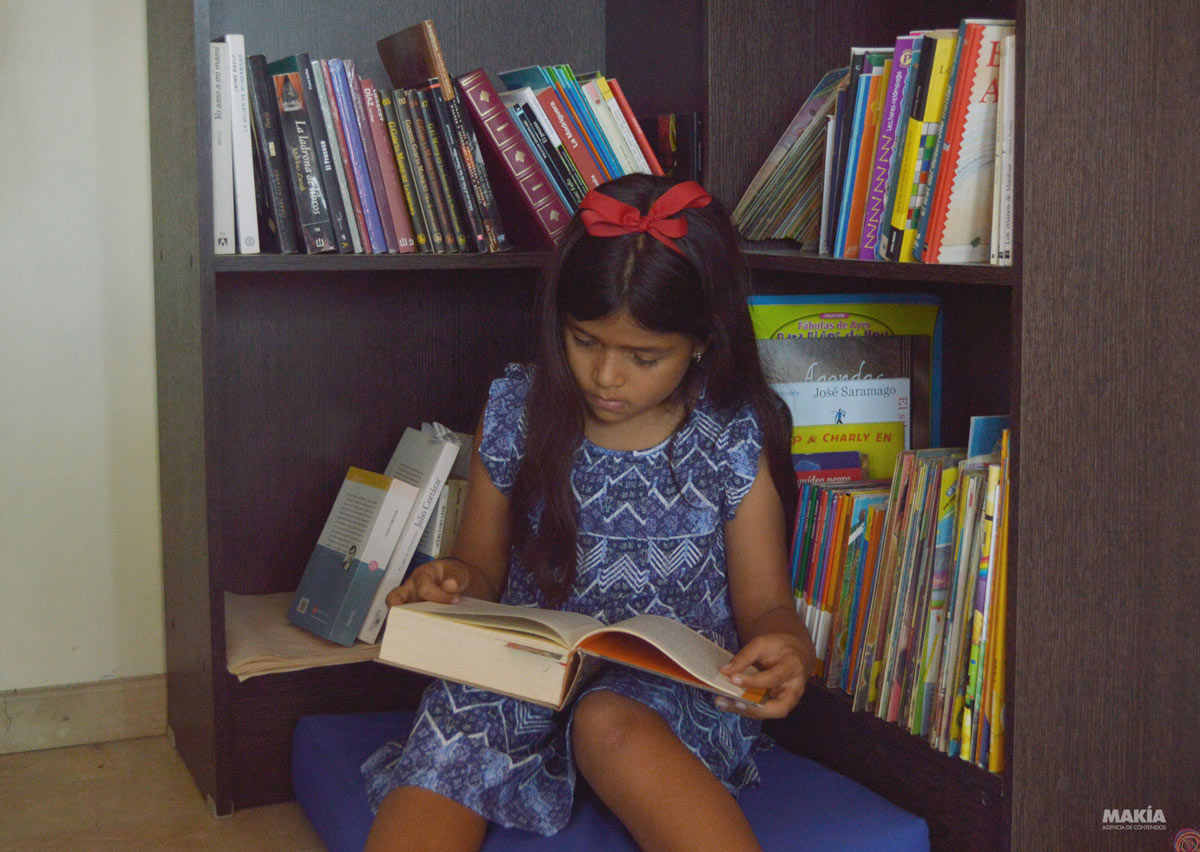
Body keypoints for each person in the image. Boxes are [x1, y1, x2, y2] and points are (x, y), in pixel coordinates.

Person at [362, 175, 816, 852]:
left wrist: (787, 648)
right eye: (584, 341)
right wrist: (450, 583)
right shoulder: (517, 408)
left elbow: (767, 606)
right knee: (460, 716)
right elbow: (479, 568)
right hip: (532, 662)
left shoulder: (730, 434)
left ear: (700, 340)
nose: (606, 376)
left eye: (644, 357)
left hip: (669, 690)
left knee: (609, 721)